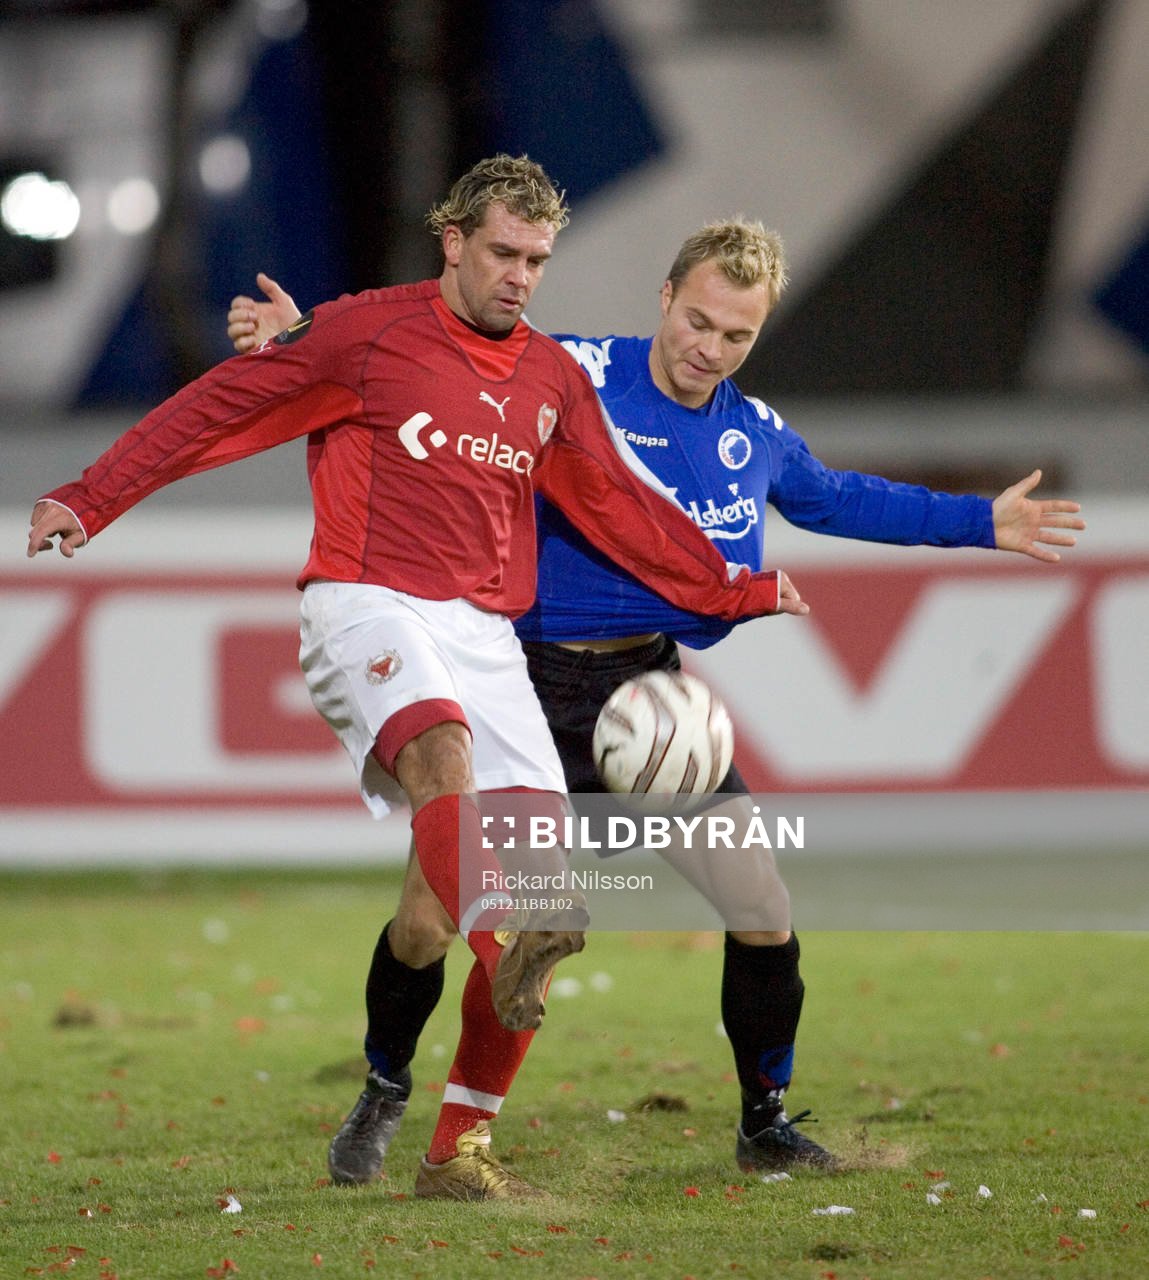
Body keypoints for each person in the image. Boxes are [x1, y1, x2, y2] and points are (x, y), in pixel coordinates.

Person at [226, 214, 1083, 1184]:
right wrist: (306, 340)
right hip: (521, 682)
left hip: (647, 706)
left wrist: (981, 521)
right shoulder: (571, 369)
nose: (710, 348)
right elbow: (425, 348)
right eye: (701, 321)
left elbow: (841, 497)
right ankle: (385, 1081)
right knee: (430, 924)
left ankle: (760, 1121)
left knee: (761, 899)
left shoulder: (750, 437)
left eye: (737, 336)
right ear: (666, 297)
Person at [25, 156, 808, 1203]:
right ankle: (512, 934)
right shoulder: (365, 332)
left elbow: (621, 507)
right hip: (366, 600)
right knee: (450, 770)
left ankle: (455, 1144)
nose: (521, 275)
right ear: (452, 240)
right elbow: (217, 407)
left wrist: (734, 588)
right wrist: (91, 493)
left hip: (485, 630)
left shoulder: (547, 379)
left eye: (537, 258)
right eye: (501, 252)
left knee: (478, 899)